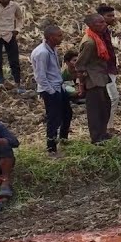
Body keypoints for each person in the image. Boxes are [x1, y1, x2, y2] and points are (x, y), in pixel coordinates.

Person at [30, 24, 72, 156]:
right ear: (50, 37)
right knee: (54, 119)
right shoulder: (42, 53)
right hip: (50, 90)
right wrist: (51, 91)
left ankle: (63, 139)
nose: (62, 38)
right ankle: (51, 149)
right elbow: (40, 76)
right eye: (59, 35)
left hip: (58, 87)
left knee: (67, 113)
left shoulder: (52, 49)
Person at [76, 13, 115, 144]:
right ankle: (96, 138)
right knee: (95, 110)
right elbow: (80, 65)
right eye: (101, 23)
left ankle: (102, 133)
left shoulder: (97, 38)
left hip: (100, 77)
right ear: (92, 25)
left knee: (105, 106)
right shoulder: (90, 42)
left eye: (104, 22)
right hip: (93, 80)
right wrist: (81, 84)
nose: (105, 24)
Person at [95, 4, 121, 132]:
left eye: (113, 15)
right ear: (100, 17)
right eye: (109, 16)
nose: (112, 18)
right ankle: (106, 128)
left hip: (109, 68)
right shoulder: (98, 34)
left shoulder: (104, 31)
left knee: (110, 98)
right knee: (112, 98)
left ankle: (108, 127)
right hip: (105, 70)